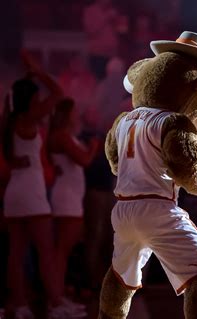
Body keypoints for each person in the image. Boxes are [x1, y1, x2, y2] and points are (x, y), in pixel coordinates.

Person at [2, 52, 85, 318]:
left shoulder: (10, 120)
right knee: (46, 250)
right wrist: (39, 72)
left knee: (16, 251)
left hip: (15, 192)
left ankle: (20, 304)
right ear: (31, 99)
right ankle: (57, 304)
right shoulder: (28, 117)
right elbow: (59, 93)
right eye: (36, 96)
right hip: (31, 192)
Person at [48, 98, 99, 304]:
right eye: (74, 112)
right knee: (61, 250)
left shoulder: (64, 136)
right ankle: (56, 298)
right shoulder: (62, 136)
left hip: (70, 196)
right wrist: (94, 147)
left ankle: (59, 294)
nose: (77, 115)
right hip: (66, 197)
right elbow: (84, 159)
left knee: (65, 249)